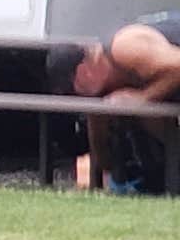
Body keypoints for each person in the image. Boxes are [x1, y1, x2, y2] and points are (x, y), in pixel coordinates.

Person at [70, 12, 180, 192]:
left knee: (141, 108)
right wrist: (105, 164)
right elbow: (100, 143)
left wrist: (143, 97)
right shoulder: (97, 88)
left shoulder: (125, 47)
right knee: (138, 111)